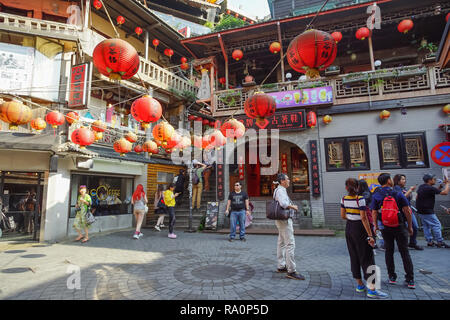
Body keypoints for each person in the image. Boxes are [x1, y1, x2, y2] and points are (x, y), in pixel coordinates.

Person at [341, 178, 388, 298]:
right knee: (367, 257)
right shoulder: (360, 199)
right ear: (357, 187)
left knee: (354, 255)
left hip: (349, 228)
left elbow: (343, 215)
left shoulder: (343, 199)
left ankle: (360, 285)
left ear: (346, 188)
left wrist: (351, 217)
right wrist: (370, 235)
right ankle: (372, 289)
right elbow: (363, 218)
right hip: (360, 229)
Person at [371, 173, 416, 289]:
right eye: (390, 178)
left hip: (385, 226)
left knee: (389, 251)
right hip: (399, 226)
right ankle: (410, 279)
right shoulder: (398, 193)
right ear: (388, 181)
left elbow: (374, 212)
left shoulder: (377, 194)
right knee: (404, 251)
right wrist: (410, 226)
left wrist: (376, 226)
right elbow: (407, 211)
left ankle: (392, 277)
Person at [272, 173, 305, 280]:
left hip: (280, 220)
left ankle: (281, 266)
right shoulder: (280, 190)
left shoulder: (279, 189)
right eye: (287, 179)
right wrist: (293, 206)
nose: (289, 180)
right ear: (282, 181)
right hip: (284, 220)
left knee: (281, 242)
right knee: (290, 244)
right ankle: (291, 270)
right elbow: (283, 204)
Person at [416, 174, 450, 248]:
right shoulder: (429, 188)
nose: (435, 180)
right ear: (429, 180)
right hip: (427, 210)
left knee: (426, 226)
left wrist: (441, 186)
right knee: (437, 225)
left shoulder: (422, 187)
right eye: (433, 179)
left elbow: (434, 191)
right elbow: (445, 192)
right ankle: (440, 242)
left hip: (420, 210)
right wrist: (448, 184)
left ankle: (430, 241)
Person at [393, 174, 423, 250]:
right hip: (403, 211)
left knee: (415, 227)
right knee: (406, 227)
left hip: (409, 209)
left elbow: (408, 197)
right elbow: (402, 198)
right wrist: (410, 190)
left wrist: (413, 194)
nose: (404, 181)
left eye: (404, 179)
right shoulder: (396, 188)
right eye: (402, 179)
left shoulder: (404, 188)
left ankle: (412, 243)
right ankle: (405, 244)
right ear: (398, 180)